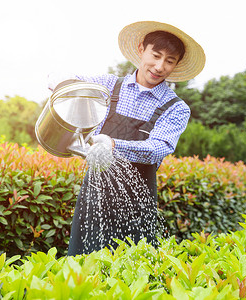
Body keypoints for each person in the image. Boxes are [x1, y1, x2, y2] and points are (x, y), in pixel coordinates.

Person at [51, 21, 205, 256]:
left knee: (131, 277)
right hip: (95, 198)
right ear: (141, 49)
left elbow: (157, 148)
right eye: (155, 55)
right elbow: (72, 82)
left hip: (137, 206)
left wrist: (112, 144)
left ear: (176, 65)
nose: (159, 66)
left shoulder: (176, 107)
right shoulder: (108, 86)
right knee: (83, 269)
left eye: (169, 61)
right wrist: (61, 83)